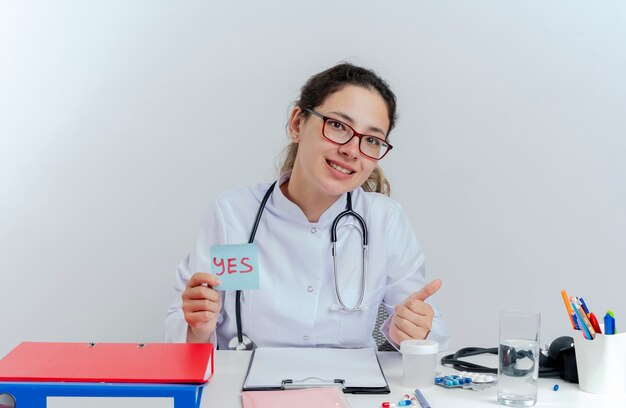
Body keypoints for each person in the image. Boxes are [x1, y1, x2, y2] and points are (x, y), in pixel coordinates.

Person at [164, 63, 449, 350]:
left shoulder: (384, 220)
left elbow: (429, 328)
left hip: (349, 392)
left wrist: (416, 332)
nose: (351, 150)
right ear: (297, 124)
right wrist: (197, 328)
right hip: (247, 388)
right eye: (338, 126)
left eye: (371, 140)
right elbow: (183, 328)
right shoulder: (233, 215)